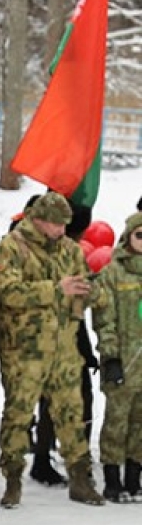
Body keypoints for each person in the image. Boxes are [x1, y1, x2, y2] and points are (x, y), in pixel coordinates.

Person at [0, 191, 106, 508]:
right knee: (18, 416)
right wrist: (56, 289)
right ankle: (12, 480)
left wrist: (89, 291)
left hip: (64, 348)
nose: (62, 231)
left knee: (72, 415)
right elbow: (8, 292)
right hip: (25, 351)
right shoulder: (12, 248)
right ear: (40, 220)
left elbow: (81, 287)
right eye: (57, 225)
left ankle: (80, 479)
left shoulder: (70, 251)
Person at [92, 212, 142, 502]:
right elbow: (104, 319)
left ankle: (134, 477)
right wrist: (110, 356)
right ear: (129, 236)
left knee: (140, 423)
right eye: (140, 235)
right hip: (123, 361)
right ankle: (113, 478)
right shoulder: (113, 273)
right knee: (116, 421)